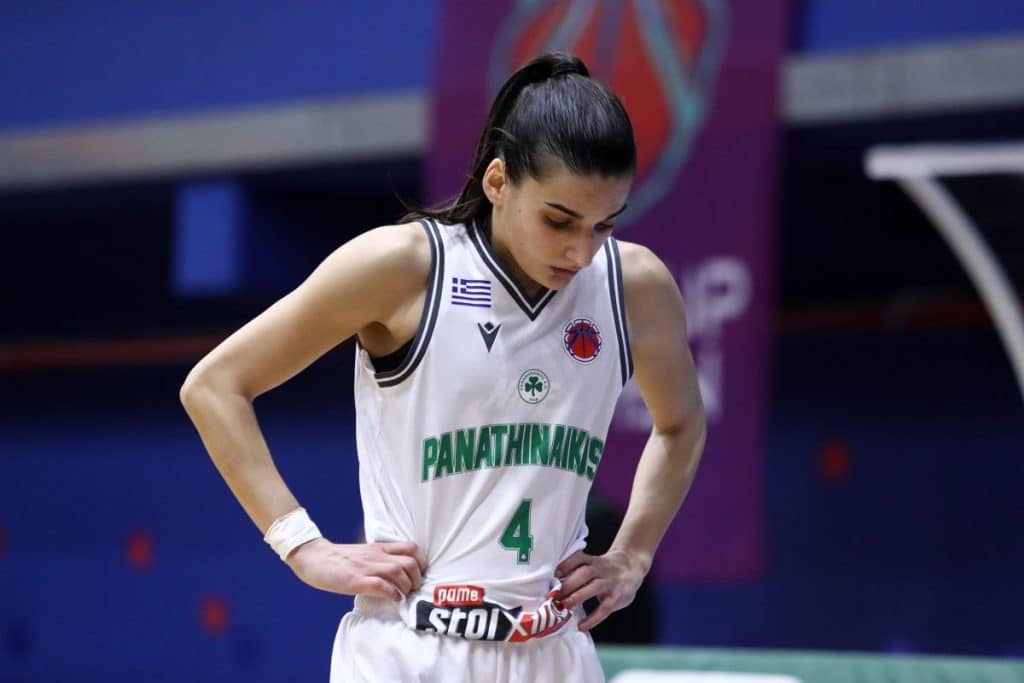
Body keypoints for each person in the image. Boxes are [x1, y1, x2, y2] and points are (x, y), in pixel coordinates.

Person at [180, 52, 706, 683]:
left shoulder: (634, 286)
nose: (580, 250)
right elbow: (215, 386)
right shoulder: (403, 267)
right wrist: (301, 545)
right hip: (412, 649)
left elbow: (681, 425)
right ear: (497, 181)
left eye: (603, 225)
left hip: (554, 652)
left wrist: (633, 555)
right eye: (559, 220)